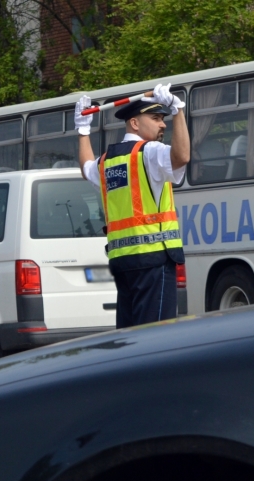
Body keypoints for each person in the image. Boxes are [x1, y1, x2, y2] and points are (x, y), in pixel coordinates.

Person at [75, 83, 191, 328]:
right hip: (153, 260)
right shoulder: (149, 152)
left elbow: (86, 168)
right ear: (135, 123)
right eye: (156, 118)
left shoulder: (106, 161)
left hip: (123, 262)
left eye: (164, 119)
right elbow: (182, 156)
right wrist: (178, 110)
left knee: (130, 335)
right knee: (155, 336)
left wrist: (83, 131)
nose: (163, 125)